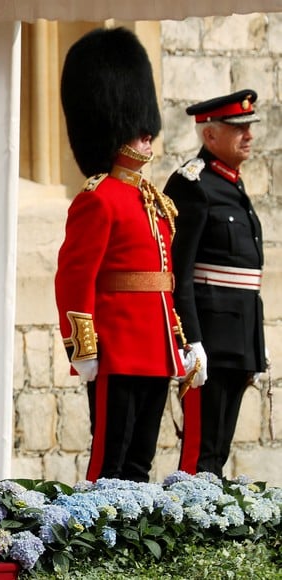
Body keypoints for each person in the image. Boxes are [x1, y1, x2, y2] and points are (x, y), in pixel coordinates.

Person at [54, 27, 199, 483]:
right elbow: (74, 278)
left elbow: (165, 282)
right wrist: (83, 346)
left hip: (155, 346)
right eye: (137, 133)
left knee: (141, 459)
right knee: (110, 460)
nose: (146, 140)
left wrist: (180, 339)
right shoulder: (98, 198)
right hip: (117, 345)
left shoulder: (153, 201)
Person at [164, 90, 267, 477]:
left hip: (239, 337)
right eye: (237, 128)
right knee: (199, 457)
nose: (248, 136)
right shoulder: (193, 184)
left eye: (249, 128)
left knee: (218, 454)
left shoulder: (233, 185)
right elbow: (180, 271)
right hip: (209, 337)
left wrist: (257, 337)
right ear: (210, 136)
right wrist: (191, 339)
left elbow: (245, 274)